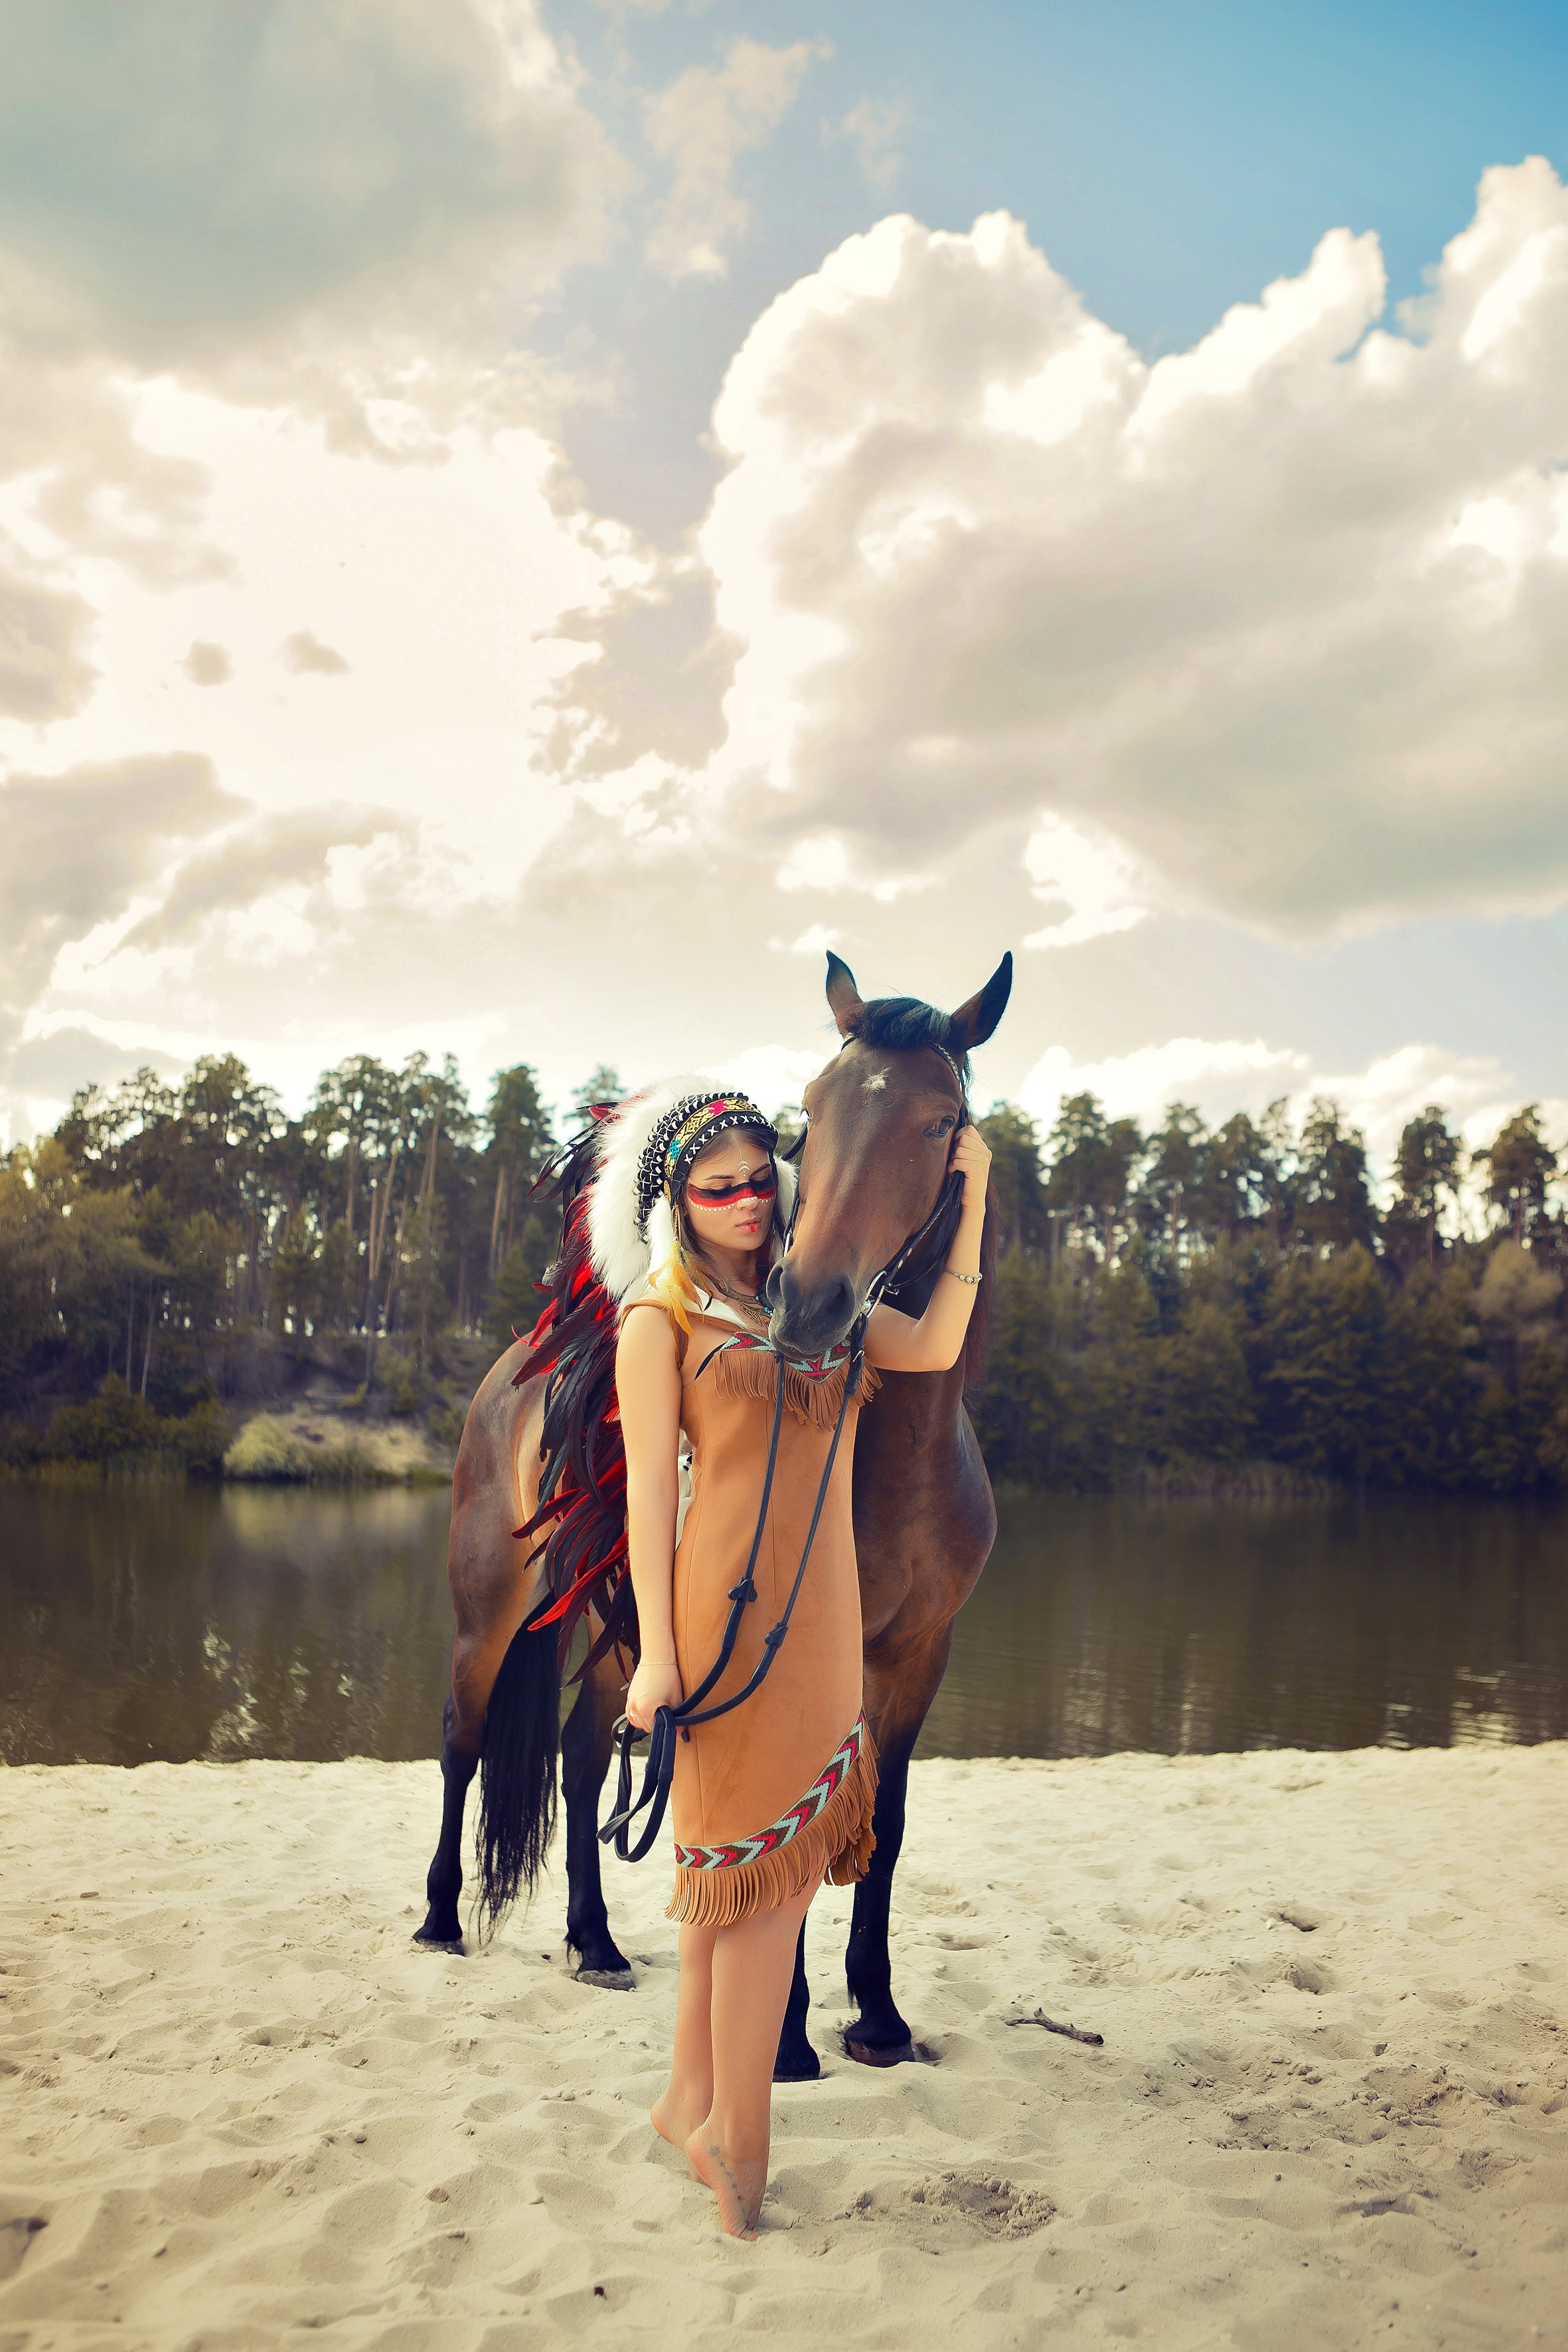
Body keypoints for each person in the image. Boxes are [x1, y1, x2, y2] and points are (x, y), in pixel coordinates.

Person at [594, 1076, 991, 2237]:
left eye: (757, 1182)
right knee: (751, 1891)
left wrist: (969, 1196)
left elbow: (940, 1340)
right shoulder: (657, 1322)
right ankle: (736, 2137)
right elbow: (646, 1507)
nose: (745, 1204)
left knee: (756, 1878)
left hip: (824, 1624)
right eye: (715, 1190)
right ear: (677, 1203)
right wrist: (654, 1659)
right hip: (719, 1622)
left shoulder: (826, 1316)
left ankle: (687, 2096)